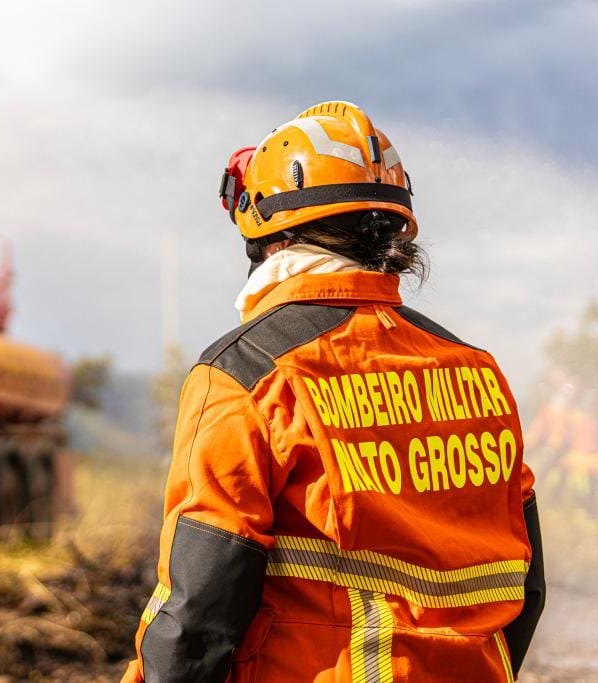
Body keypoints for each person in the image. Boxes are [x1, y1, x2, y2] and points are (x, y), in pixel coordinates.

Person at [123, 101, 545, 682]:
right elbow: (526, 586)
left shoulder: (246, 374)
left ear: (271, 238)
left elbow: (198, 616)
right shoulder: (478, 372)